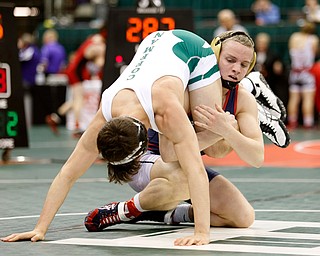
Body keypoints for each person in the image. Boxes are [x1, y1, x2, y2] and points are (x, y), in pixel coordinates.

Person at [1, 29, 223, 246]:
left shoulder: (166, 111)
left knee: (215, 138)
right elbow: (67, 173)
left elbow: (196, 169)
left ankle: (245, 99)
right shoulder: (106, 109)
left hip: (192, 50)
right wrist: (40, 227)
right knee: (176, 154)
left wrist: (202, 233)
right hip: (152, 44)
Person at [82, 31, 286, 235]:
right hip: (148, 159)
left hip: (185, 165)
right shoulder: (185, 86)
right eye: (230, 60)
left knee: (242, 217)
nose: (236, 69)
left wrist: (225, 130)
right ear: (214, 55)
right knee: (189, 174)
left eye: (244, 65)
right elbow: (170, 153)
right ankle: (124, 211)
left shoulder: (241, 99)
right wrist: (222, 131)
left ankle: (162, 213)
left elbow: (257, 157)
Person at [45, 29, 106, 137]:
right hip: (75, 72)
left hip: (75, 71)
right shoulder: (96, 44)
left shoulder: (91, 43)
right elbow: (98, 61)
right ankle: (78, 127)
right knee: (79, 100)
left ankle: (55, 117)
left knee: (75, 100)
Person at [287, 21, 319, 129]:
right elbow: (314, 53)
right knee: (308, 98)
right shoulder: (313, 39)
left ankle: (292, 122)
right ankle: (308, 123)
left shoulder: (294, 37)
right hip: (306, 73)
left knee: (294, 98)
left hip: (295, 72)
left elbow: (290, 50)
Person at [254, 32, 289, 113]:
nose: (262, 45)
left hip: (269, 83)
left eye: (264, 43)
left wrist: (278, 66)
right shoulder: (251, 54)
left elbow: (279, 67)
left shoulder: (273, 55)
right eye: (260, 43)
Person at [17, 32, 41, 128]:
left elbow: (18, 58)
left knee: (26, 100)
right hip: (26, 80)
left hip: (27, 80)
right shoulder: (28, 50)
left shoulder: (30, 51)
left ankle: (26, 122)